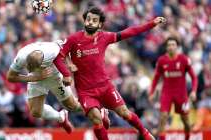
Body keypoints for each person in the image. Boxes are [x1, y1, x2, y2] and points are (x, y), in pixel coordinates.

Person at [54, 6, 166, 140]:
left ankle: (145, 132)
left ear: (100, 24)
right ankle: (102, 115)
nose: (90, 22)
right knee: (96, 119)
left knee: (124, 113)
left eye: (94, 20)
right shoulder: (74, 39)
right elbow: (58, 56)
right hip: (86, 91)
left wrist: (151, 24)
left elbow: (129, 32)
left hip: (105, 86)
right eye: (88, 19)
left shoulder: (104, 36)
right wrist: (66, 72)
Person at [7, 41, 80, 133]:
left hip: (53, 74)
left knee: (72, 105)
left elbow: (62, 51)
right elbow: (10, 77)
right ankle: (61, 117)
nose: (28, 69)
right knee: (35, 112)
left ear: (42, 62)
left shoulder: (51, 50)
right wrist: (34, 77)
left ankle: (95, 108)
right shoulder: (21, 56)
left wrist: (67, 70)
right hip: (35, 77)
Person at [148, 37, 198, 140]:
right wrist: (152, 92)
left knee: (186, 122)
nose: (171, 47)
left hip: (181, 94)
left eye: (173, 45)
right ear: (166, 47)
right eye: (169, 45)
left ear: (177, 47)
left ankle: (187, 137)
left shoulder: (184, 59)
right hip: (167, 93)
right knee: (163, 118)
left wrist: (193, 91)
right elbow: (156, 78)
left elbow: (194, 77)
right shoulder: (162, 61)